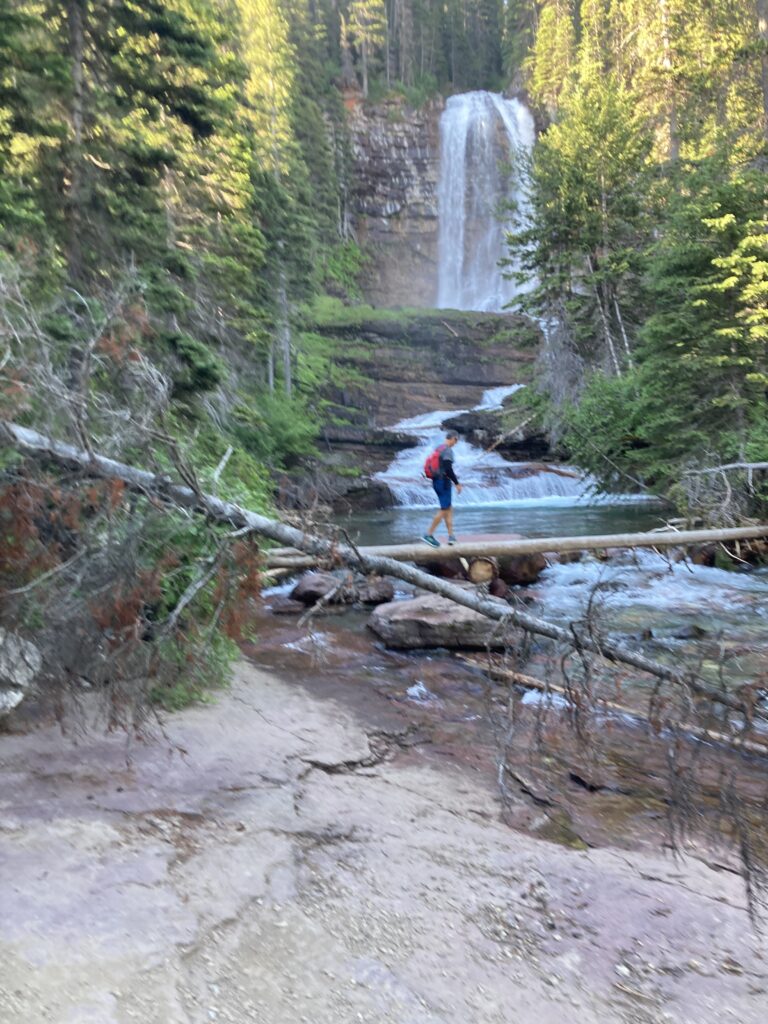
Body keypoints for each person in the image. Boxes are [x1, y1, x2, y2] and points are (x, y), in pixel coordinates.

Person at [422, 430, 462, 547]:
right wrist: (457, 483)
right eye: (456, 440)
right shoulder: (447, 450)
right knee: (444, 509)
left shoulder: (438, 448)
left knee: (448, 508)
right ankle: (428, 534)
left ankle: (451, 536)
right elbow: (448, 469)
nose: (456, 443)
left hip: (436, 481)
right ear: (453, 438)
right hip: (443, 482)